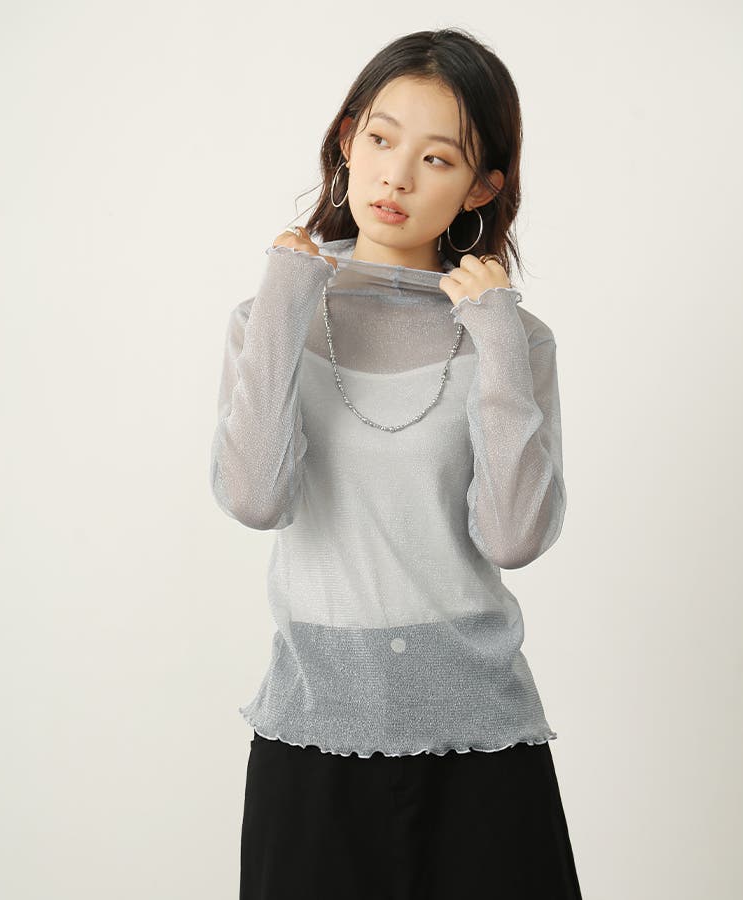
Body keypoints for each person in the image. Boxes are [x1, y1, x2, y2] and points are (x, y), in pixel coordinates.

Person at [210, 27, 583, 900]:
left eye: (438, 158)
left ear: (482, 186)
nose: (397, 177)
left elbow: (515, 538)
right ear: (348, 139)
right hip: (313, 737)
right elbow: (256, 499)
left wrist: (496, 337)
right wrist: (287, 300)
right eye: (381, 139)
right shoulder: (269, 315)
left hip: (483, 741)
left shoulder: (513, 337)